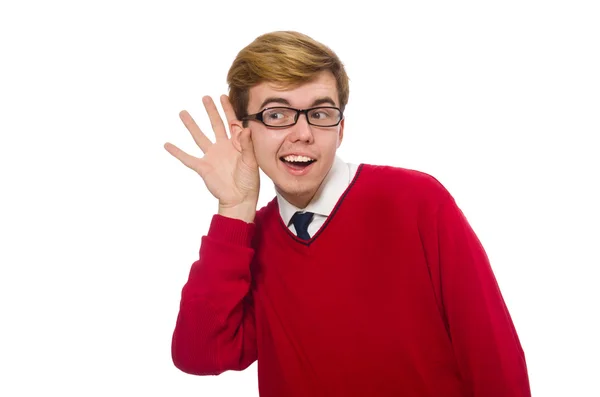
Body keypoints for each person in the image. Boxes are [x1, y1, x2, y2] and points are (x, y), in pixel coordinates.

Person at [164, 31, 531, 397]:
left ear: (340, 129)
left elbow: (492, 355)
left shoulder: (415, 201)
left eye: (320, 114)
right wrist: (234, 209)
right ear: (243, 133)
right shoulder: (251, 238)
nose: (303, 133)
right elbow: (200, 354)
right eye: (277, 114)